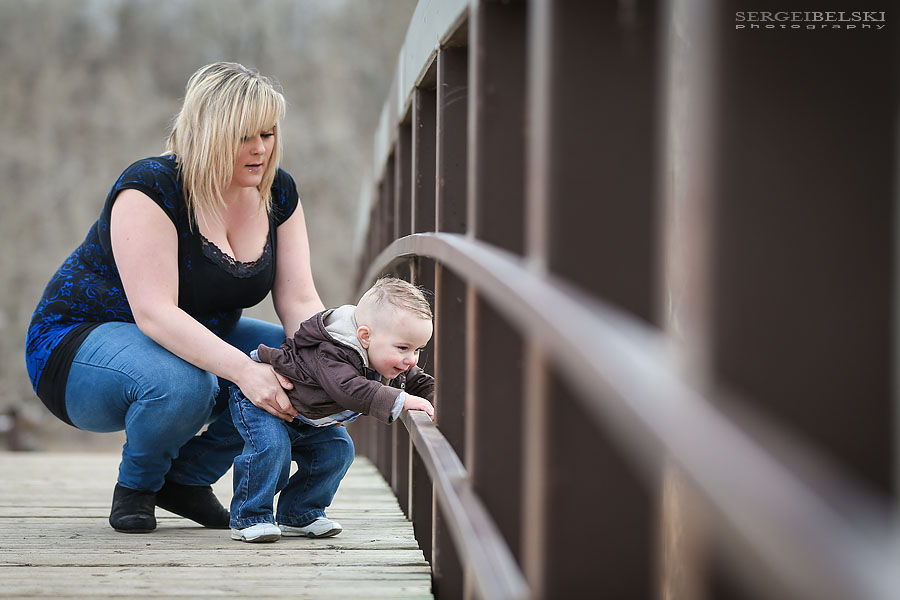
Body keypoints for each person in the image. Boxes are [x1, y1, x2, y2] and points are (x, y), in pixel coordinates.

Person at [23, 62, 347, 534]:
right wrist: (245, 372)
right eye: (242, 136)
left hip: (194, 336)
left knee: (298, 362)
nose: (259, 148)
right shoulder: (152, 186)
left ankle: (186, 480)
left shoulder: (278, 191)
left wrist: (336, 361)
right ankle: (137, 488)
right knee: (187, 383)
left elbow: (299, 299)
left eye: (268, 132)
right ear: (208, 133)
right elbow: (154, 313)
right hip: (78, 348)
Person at [229, 276, 435, 543]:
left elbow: (416, 380)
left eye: (418, 349)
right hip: (266, 404)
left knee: (337, 450)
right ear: (365, 336)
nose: (410, 359)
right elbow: (347, 388)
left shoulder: (385, 353)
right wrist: (402, 400)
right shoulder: (332, 350)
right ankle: (250, 517)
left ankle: (299, 513)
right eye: (404, 348)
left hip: (308, 417)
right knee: (272, 449)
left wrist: (434, 399)